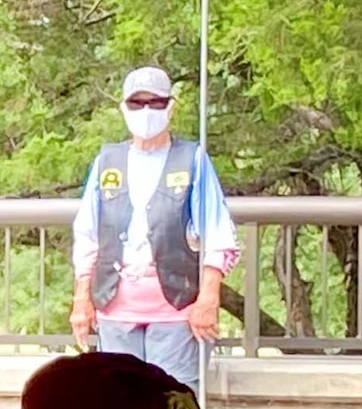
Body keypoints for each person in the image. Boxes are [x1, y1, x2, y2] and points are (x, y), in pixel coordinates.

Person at [69, 65, 238, 390]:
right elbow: (87, 235)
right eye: (137, 103)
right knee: (119, 408)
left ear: (170, 107)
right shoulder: (107, 162)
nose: (146, 111)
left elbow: (217, 233)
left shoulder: (193, 159)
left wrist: (208, 299)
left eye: (156, 103)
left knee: (171, 407)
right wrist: (81, 300)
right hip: (115, 309)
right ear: (124, 108)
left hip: (175, 310)